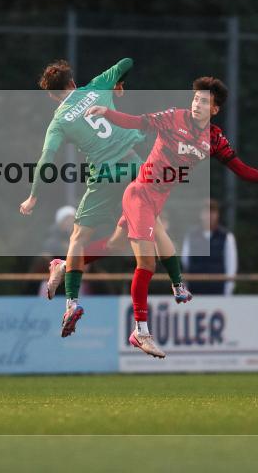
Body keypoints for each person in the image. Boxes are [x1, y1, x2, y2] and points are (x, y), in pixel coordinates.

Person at [87, 77, 258, 358]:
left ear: (215, 110)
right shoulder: (173, 118)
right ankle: (141, 331)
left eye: (204, 101)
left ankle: (65, 264)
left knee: (115, 246)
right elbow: (137, 121)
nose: (197, 104)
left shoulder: (214, 138)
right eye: (196, 98)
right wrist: (107, 113)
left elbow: (240, 168)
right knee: (147, 263)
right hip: (140, 194)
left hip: (157, 200)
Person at [19, 58, 187, 338]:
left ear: (52, 95)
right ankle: (178, 285)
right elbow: (127, 61)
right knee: (150, 230)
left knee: (80, 238)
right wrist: (117, 81)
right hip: (134, 167)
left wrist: (33, 196)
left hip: (105, 177)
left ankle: (71, 302)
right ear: (73, 83)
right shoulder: (97, 86)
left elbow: (46, 159)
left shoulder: (59, 121)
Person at [181, 199, 237, 295]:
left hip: (218, 290)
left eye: (213, 212)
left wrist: (228, 290)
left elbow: (231, 265)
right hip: (194, 290)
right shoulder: (191, 236)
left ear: (217, 215)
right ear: (200, 215)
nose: (209, 215)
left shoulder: (227, 237)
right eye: (206, 212)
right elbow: (185, 261)